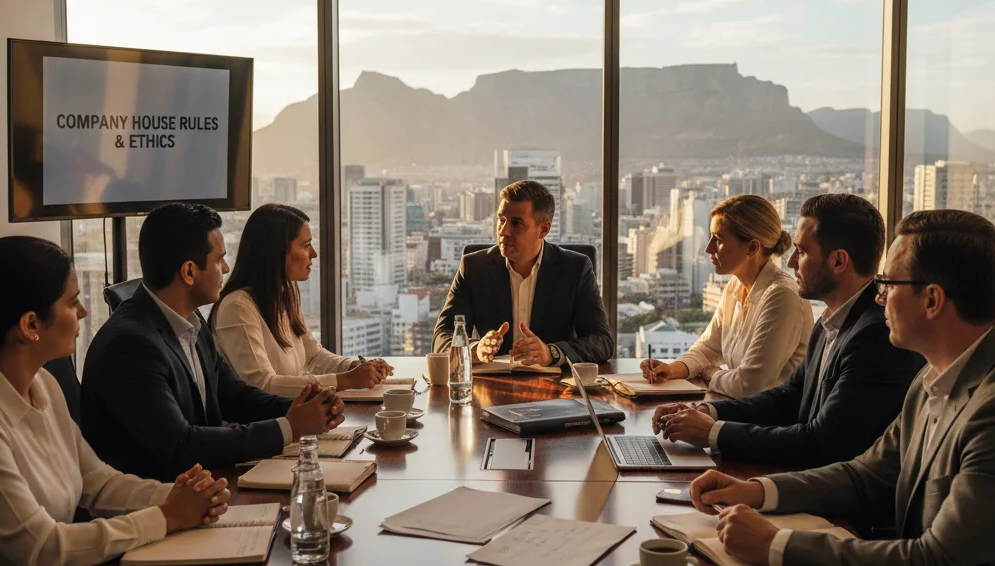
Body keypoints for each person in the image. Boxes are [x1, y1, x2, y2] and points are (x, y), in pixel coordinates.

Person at [690, 210, 995, 566]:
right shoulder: (930, 378)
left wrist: (776, 545)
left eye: (888, 284)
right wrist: (757, 491)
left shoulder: (989, 412)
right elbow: (866, 475)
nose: (879, 296)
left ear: (933, 300)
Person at [0, 236, 230, 566]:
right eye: (73, 302)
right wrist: (167, 516)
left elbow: (97, 482)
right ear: (30, 325)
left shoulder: (43, 384)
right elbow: (43, 547)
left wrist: (180, 497)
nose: (84, 311)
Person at [653, 194, 924, 467]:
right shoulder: (831, 322)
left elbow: (822, 443)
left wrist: (713, 433)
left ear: (838, 262)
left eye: (802, 252)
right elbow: (789, 397)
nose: (792, 262)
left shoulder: (876, 337)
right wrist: (707, 411)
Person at [81, 203, 344, 483]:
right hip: (159, 497)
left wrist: (304, 407)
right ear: (189, 272)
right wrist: (288, 427)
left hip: (202, 484)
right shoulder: (130, 346)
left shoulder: (190, 319)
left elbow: (233, 396)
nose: (226, 268)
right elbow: (180, 445)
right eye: (220, 260)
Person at [642, 194, 813, 397]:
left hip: (775, 414)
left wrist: (713, 375)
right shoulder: (735, 286)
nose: (709, 248)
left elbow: (750, 385)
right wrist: (672, 369)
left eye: (719, 240)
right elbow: (708, 348)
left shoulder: (782, 297)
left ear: (752, 248)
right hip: (743, 409)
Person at [210, 203, 392, 395]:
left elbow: (312, 356)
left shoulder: (285, 293)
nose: (314, 254)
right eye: (306, 246)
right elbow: (262, 385)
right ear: (278, 252)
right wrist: (346, 380)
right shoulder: (237, 307)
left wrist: (354, 367)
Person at [432, 180, 614, 366]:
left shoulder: (575, 268)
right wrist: (474, 349)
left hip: (554, 381)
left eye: (516, 223)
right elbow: (442, 336)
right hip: (491, 380)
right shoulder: (474, 267)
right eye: (501, 220)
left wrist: (551, 353)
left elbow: (602, 342)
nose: (504, 231)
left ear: (544, 229)